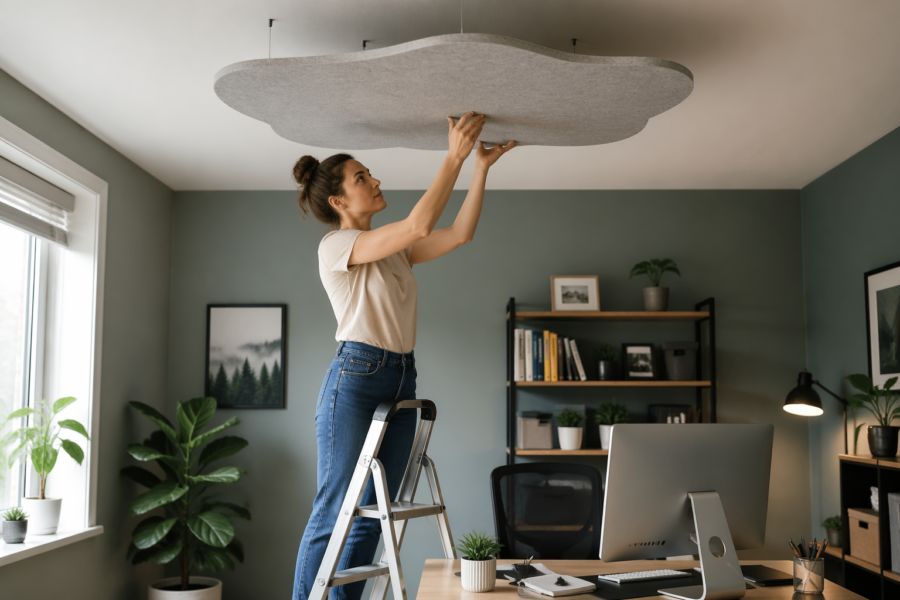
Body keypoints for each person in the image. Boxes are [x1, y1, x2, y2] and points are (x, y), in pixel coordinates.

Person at [292, 112, 515, 600]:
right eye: (361, 177)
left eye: (369, 173)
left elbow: (458, 234)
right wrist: (452, 156)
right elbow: (418, 224)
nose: (374, 180)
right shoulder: (336, 246)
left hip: (400, 379)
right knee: (335, 511)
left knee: (378, 515)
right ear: (338, 200)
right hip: (355, 379)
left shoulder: (391, 249)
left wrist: (478, 169)